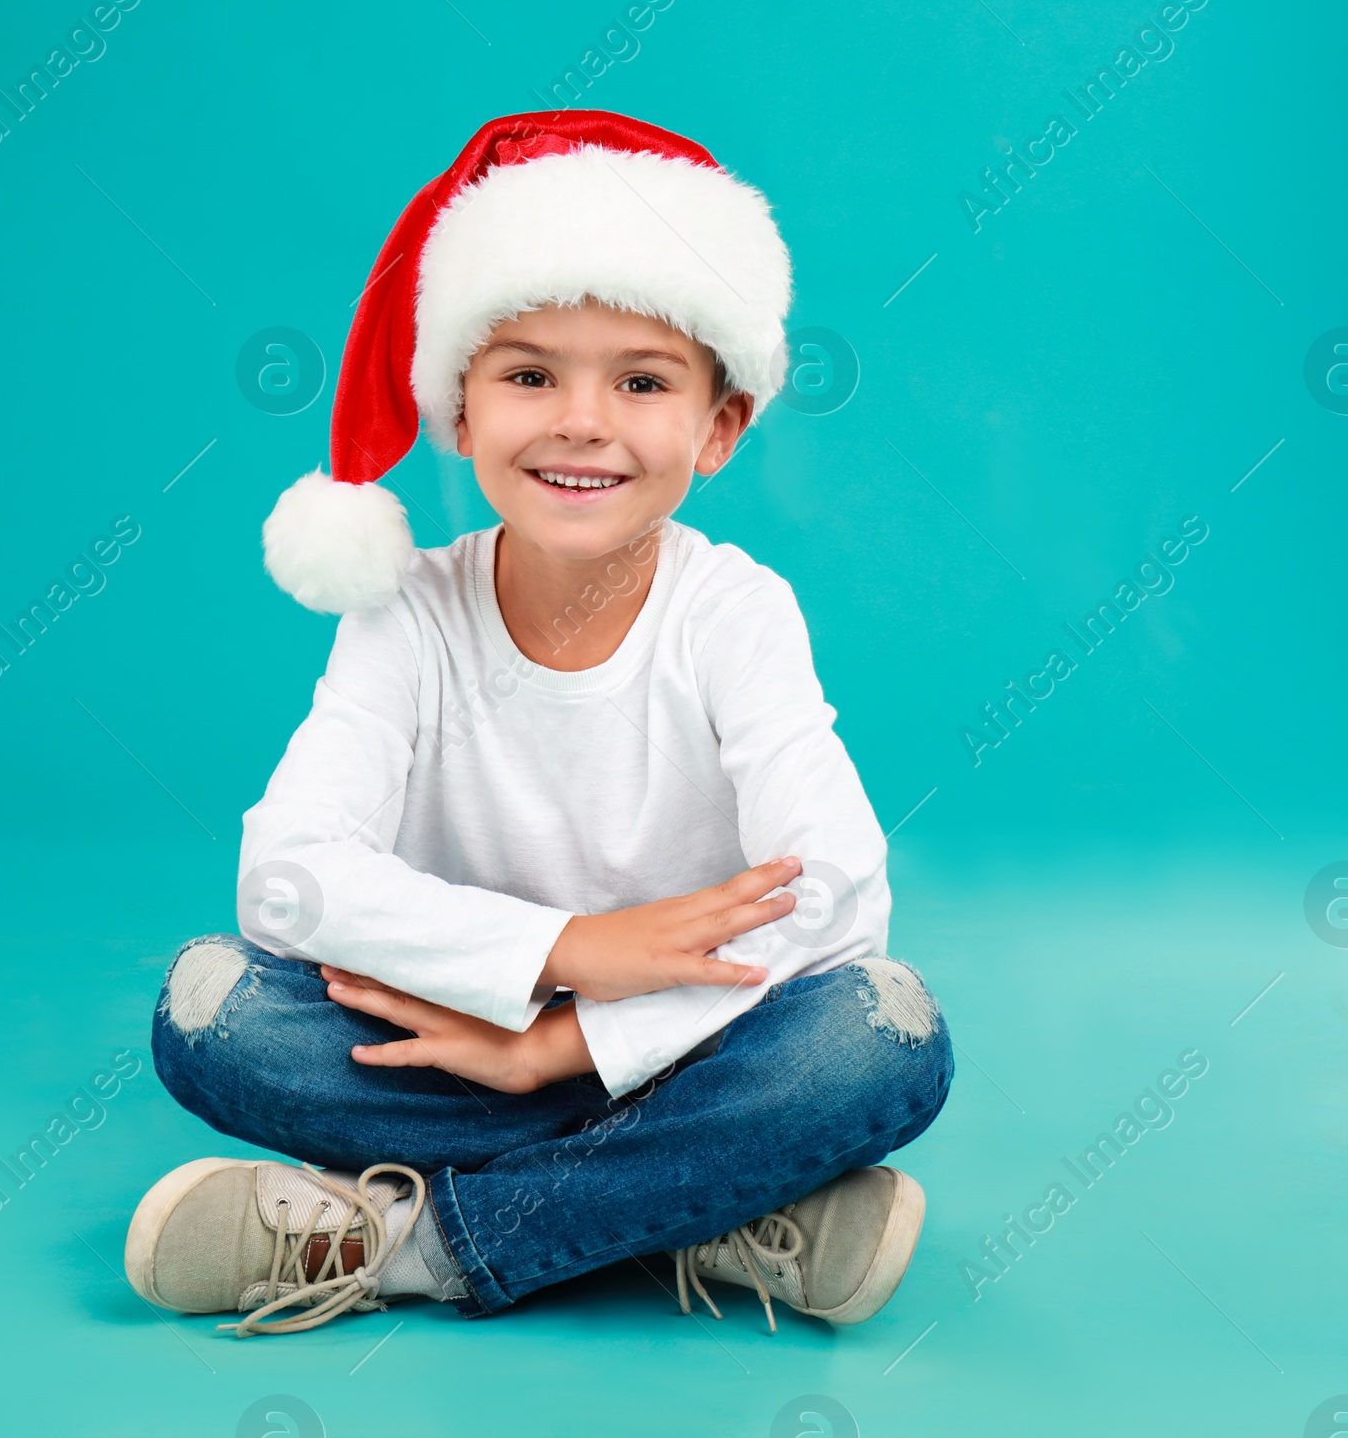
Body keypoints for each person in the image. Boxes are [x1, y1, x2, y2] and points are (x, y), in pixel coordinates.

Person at [122, 110, 953, 1339]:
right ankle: (702, 1203)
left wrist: (566, 1044)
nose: (580, 420)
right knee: (211, 1007)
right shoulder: (410, 612)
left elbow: (833, 894)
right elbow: (286, 883)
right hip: (459, 1032)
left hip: (680, 1044)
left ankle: (408, 1246)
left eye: (641, 379)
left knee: (879, 1032)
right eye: (527, 374)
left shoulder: (734, 613)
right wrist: (569, 948)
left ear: (718, 428)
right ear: (456, 410)